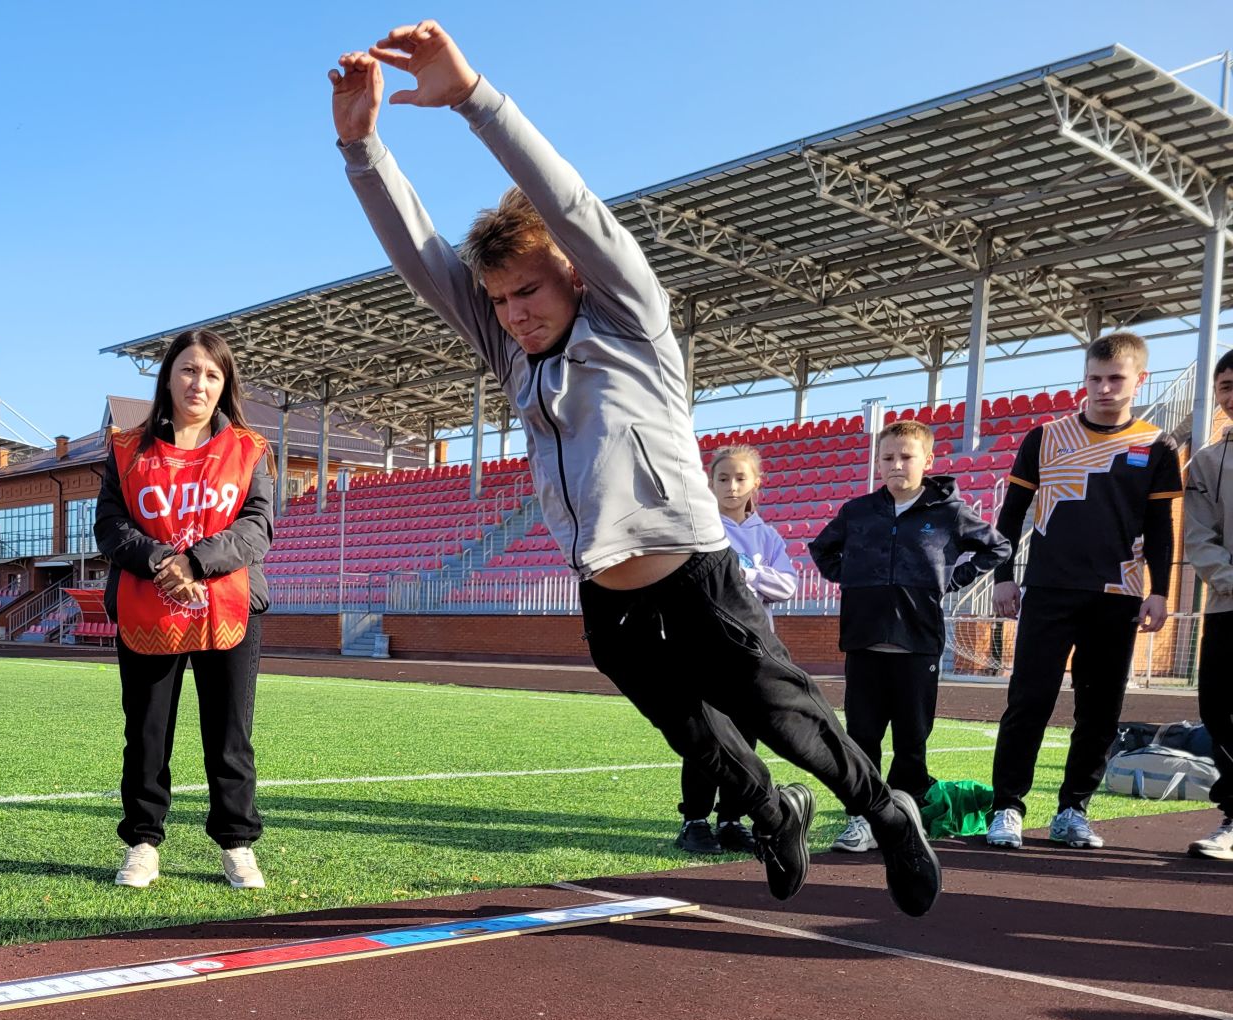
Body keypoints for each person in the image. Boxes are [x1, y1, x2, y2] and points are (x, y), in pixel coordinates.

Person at [328, 21, 940, 915]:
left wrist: (471, 100)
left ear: (572, 276)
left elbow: (568, 205)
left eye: (527, 291)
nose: (513, 313)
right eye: (498, 300)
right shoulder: (511, 356)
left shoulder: (631, 322)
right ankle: (774, 813)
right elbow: (424, 261)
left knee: (783, 715)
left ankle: (886, 811)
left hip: (693, 569)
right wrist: (361, 147)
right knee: (689, 729)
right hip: (606, 589)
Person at [984, 333, 1181, 849]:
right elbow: (1010, 516)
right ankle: (1006, 806)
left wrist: (1159, 590)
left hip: (1118, 594)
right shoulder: (1045, 437)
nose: (1103, 388)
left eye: (1116, 378)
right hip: (1048, 589)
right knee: (1028, 700)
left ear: (1140, 380)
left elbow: (1161, 526)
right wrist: (1004, 576)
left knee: (1100, 709)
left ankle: (1073, 809)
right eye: (1095, 377)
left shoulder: (1158, 446)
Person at [95, 327, 275, 891]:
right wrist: (161, 562)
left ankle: (238, 844)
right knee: (146, 735)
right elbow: (109, 526)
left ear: (226, 386)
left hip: (229, 606)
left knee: (230, 736)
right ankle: (143, 842)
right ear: (169, 376)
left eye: (212, 374)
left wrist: (197, 562)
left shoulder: (248, 449)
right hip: (149, 607)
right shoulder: (126, 449)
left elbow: (258, 524)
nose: (199, 383)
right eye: (189, 370)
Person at [809, 419, 1009, 852]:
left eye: (906, 456)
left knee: (911, 739)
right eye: (887, 457)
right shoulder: (857, 511)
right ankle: (861, 818)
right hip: (863, 641)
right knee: (861, 737)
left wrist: (952, 580)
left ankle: (904, 816)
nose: (896, 464)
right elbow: (820, 549)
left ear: (928, 460)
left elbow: (998, 547)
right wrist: (852, 578)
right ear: (877, 462)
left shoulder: (949, 512)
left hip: (918, 643)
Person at [675, 447, 795, 856]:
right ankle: (694, 820)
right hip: (705, 648)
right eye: (722, 478)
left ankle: (731, 819)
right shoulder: (699, 530)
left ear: (756, 483)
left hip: (753, 651)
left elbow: (788, 585)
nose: (731, 486)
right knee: (706, 736)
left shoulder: (768, 536)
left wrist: (746, 573)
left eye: (740, 478)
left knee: (745, 739)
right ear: (709, 483)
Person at [1183, 347, 1233, 861]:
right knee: (1220, 711)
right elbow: (1199, 537)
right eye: (1226, 386)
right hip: (1226, 607)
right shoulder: (1207, 462)